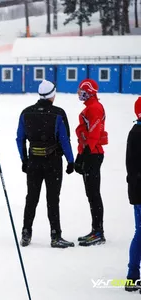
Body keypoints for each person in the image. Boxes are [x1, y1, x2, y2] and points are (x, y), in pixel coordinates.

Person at [16, 79, 75, 249]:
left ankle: (26, 233)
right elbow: (64, 139)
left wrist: (24, 160)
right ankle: (56, 236)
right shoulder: (58, 113)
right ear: (52, 95)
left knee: (31, 198)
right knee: (53, 199)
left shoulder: (26, 113)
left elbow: (20, 138)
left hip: (34, 161)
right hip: (53, 161)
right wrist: (70, 161)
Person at [75, 78, 108, 246]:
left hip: (93, 155)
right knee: (91, 194)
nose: (80, 94)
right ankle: (95, 229)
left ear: (89, 92)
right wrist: (80, 155)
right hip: (90, 153)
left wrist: (85, 154)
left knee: (94, 193)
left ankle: (98, 232)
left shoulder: (94, 108)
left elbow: (94, 133)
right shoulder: (89, 108)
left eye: (82, 91)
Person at [125, 96, 141, 292]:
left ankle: (132, 275)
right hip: (138, 190)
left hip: (136, 191)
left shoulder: (134, 132)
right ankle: (132, 275)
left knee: (139, 232)